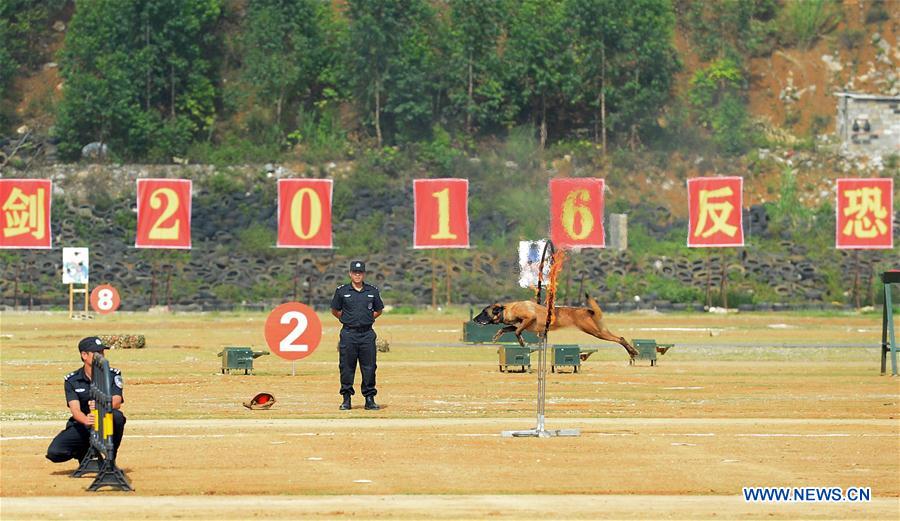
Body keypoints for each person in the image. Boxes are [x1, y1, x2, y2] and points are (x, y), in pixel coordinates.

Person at [46, 336, 126, 464]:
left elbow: (117, 401)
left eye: (102, 352)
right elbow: (75, 409)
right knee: (55, 452)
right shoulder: (72, 380)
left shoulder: (113, 375)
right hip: (83, 424)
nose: (101, 356)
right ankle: (84, 454)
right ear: (84, 355)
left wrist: (102, 404)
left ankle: (110, 460)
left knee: (117, 417)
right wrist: (85, 420)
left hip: (105, 421)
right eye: (97, 353)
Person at [331, 260, 385, 410]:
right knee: (347, 367)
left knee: (369, 367)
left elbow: (378, 310)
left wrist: (367, 319)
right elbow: (335, 310)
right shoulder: (342, 291)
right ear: (350, 273)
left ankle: (369, 398)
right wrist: (347, 320)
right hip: (349, 333)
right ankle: (346, 399)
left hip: (367, 334)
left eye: (360, 272)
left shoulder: (372, 291)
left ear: (364, 274)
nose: (357, 275)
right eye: (355, 272)